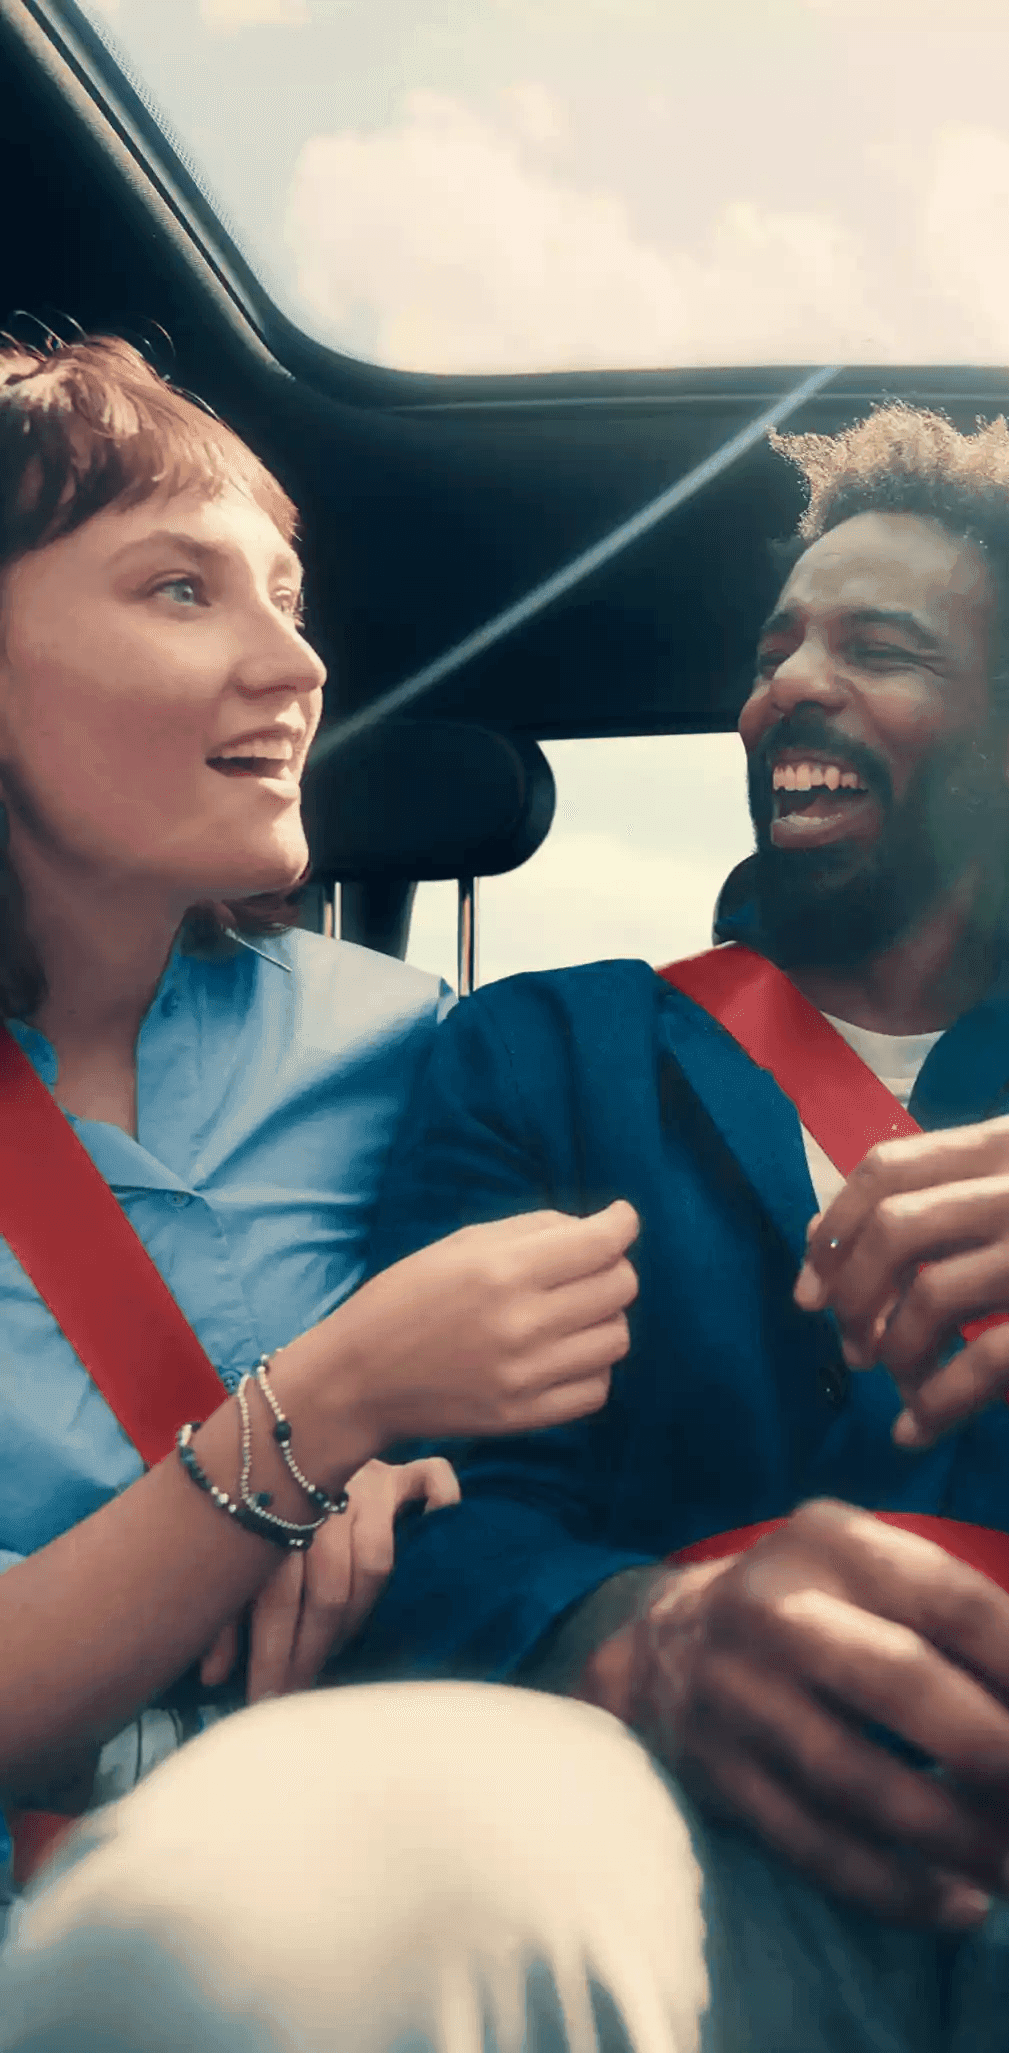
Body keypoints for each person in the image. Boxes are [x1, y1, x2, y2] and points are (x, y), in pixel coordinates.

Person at [11, 410, 1009, 2053]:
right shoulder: (545, 1045)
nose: (790, 685)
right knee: (239, 1931)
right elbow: (431, 1525)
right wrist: (642, 1635)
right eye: (776, 649)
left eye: (879, 647)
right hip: (654, 1813)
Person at [0, 336, 640, 1918]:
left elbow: (539, 1492)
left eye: (287, 601)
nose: (296, 666)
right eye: (181, 590)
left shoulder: (417, 1045)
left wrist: (423, 1482)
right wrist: (334, 1406)